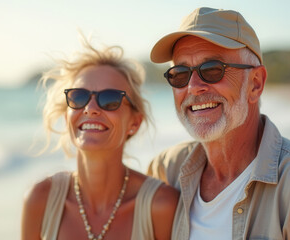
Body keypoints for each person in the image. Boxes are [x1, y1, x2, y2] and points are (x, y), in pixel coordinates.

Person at [147, 7, 290, 239]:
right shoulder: (167, 171)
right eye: (179, 73)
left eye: (212, 70)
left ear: (256, 83)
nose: (193, 87)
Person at [21, 37, 178, 240]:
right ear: (66, 114)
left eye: (110, 99)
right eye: (78, 97)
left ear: (134, 122)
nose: (90, 109)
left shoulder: (160, 206)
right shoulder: (40, 199)